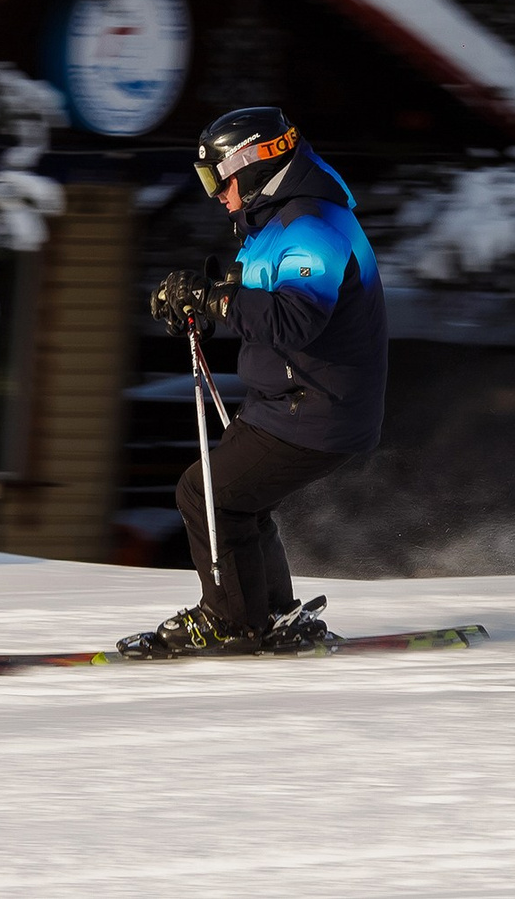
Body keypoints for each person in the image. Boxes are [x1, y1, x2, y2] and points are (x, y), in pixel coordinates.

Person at [137, 107, 388, 655]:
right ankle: (270, 613)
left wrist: (215, 298)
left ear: (250, 163)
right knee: (236, 498)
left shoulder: (312, 225)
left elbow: (297, 318)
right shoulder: (278, 221)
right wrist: (209, 298)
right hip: (294, 402)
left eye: (217, 179)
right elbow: (263, 299)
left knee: (206, 495)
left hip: (319, 408)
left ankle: (231, 619)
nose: (216, 195)